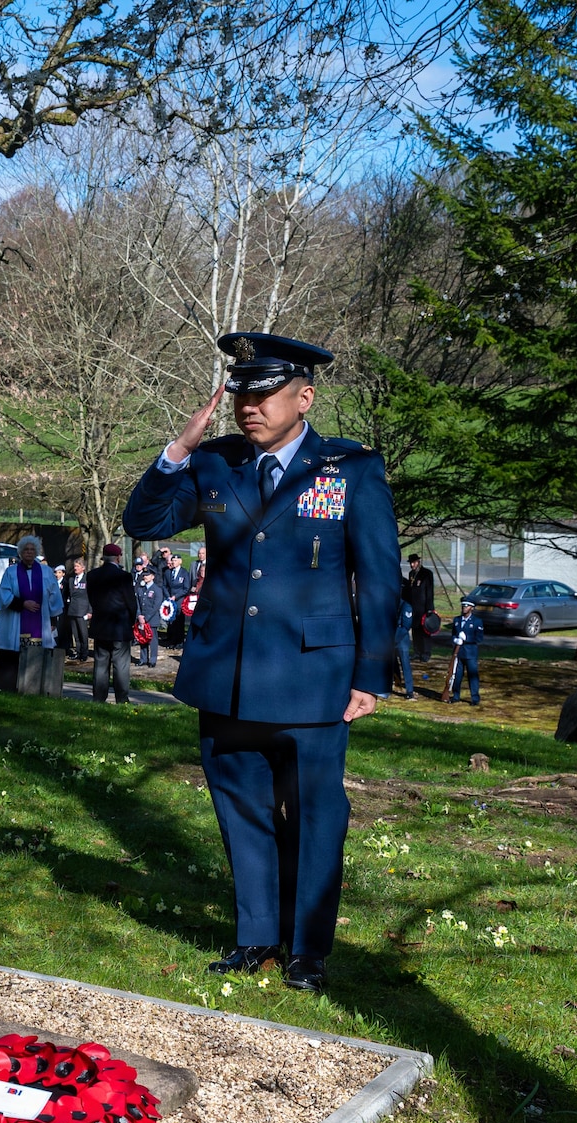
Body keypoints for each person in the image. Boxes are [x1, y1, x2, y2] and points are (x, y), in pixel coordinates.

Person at [122, 331, 398, 993]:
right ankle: (255, 938)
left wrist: (371, 672)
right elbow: (148, 520)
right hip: (229, 674)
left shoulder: (349, 469)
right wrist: (178, 450)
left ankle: (306, 950)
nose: (250, 403)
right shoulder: (215, 464)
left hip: (314, 678)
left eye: (265, 390)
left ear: (303, 396)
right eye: (241, 390)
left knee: (313, 815)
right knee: (240, 811)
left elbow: (380, 578)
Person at [0, 535, 57, 693]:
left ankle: (34, 687)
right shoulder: (11, 572)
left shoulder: (46, 572)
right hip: (16, 619)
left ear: (36, 552)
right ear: (20, 552)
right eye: (26, 550)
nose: (29, 552)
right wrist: (22, 604)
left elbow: (54, 596)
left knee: (39, 653)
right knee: (11, 652)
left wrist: (54, 620)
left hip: (40, 622)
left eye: (32, 550)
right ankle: (6, 686)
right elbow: (4, 595)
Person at [85, 542, 138, 703]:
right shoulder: (124, 576)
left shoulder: (92, 575)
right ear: (118, 557)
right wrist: (130, 620)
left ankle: (99, 698)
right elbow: (131, 603)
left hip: (101, 625)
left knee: (101, 664)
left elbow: (92, 599)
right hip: (119, 626)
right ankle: (121, 698)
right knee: (120, 665)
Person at [447, 597, 483, 704]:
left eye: (466, 606)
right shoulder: (457, 620)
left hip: (470, 653)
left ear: (471, 608)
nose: (464, 608)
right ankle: (456, 695)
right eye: (463, 605)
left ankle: (475, 698)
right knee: (457, 675)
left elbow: (479, 638)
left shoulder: (477, 621)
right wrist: (455, 639)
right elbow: (453, 634)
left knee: (472, 676)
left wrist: (466, 639)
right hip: (458, 653)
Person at [402, 553, 436, 661]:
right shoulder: (411, 574)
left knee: (424, 631)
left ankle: (426, 653)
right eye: (411, 563)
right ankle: (417, 651)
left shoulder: (426, 574)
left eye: (413, 563)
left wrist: (430, 608)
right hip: (414, 607)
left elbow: (429, 592)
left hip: (423, 607)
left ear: (418, 562)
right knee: (415, 630)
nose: (412, 565)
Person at [61, 556, 92, 661]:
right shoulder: (71, 580)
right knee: (76, 634)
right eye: (75, 566)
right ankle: (78, 652)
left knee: (83, 634)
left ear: (83, 568)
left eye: (78, 566)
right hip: (72, 610)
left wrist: (90, 611)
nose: (75, 568)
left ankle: (84, 653)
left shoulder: (87, 579)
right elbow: (67, 594)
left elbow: (90, 596)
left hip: (83, 610)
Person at [162, 551, 192, 649]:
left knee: (179, 622)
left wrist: (176, 597)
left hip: (179, 601)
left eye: (175, 560)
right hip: (170, 600)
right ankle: (172, 641)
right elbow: (164, 586)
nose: (173, 562)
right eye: (172, 560)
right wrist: (168, 596)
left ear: (180, 561)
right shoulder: (168, 572)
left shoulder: (184, 573)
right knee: (171, 622)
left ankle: (179, 641)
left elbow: (186, 588)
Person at [135, 567, 164, 668]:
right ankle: (143, 659)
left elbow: (156, 606)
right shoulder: (140, 589)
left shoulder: (157, 590)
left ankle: (152, 659)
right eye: (144, 575)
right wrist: (139, 615)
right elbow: (138, 603)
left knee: (153, 640)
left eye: (147, 575)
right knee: (142, 639)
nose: (145, 577)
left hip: (151, 619)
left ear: (152, 576)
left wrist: (146, 618)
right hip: (141, 619)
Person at [394, 599, 417, 698]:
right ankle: (396, 683)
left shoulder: (405, 606)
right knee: (392, 663)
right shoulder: (388, 604)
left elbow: (406, 626)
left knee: (405, 664)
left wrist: (394, 639)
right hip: (390, 638)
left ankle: (409, 690)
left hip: (401, 639)